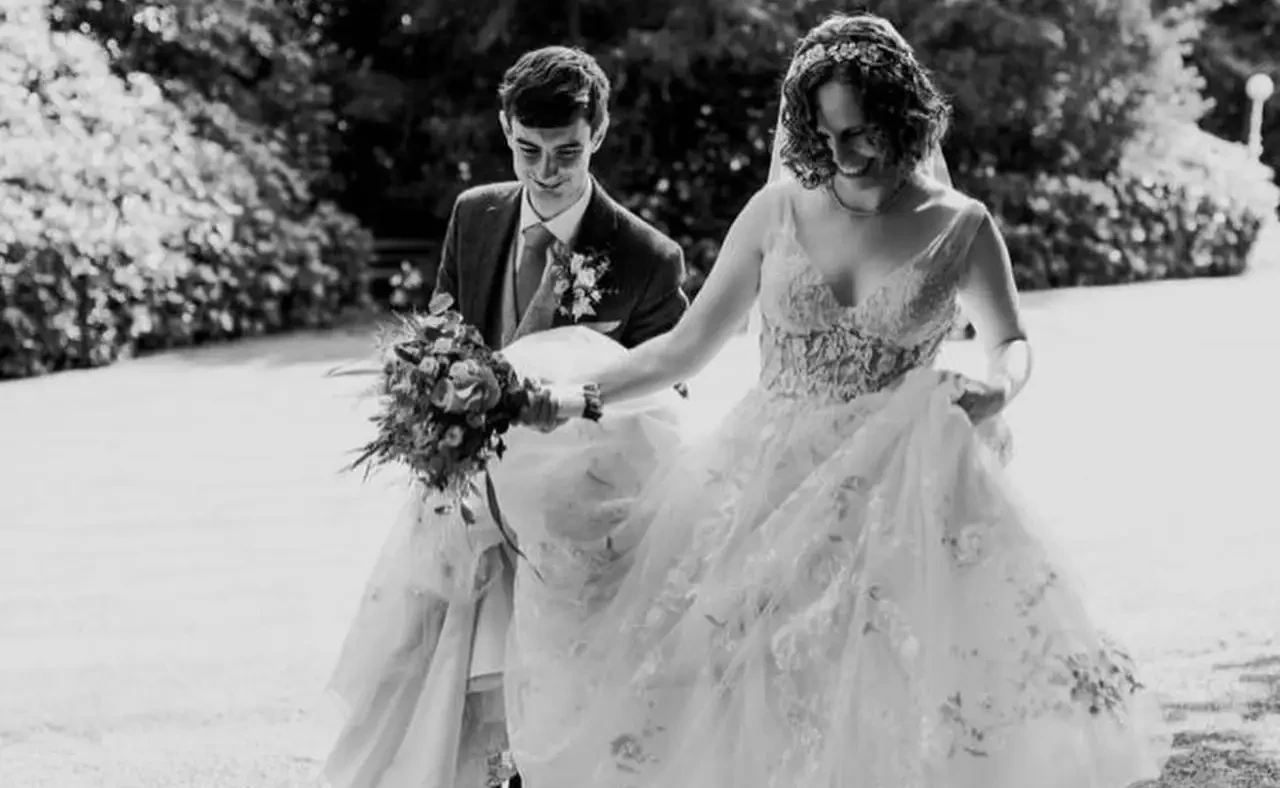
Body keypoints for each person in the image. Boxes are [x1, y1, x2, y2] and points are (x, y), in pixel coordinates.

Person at [514, 13, 1168, 788]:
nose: (841, 154)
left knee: (882, 700)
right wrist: (568, 394)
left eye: (859, 133)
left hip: (895, 490)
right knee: (723, 686)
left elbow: (1011, 342)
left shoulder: (961, 226)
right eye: (823, 136)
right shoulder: (777, 211)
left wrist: (999, 386)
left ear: (904, 118)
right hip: (763, 483)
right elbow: (681, 349)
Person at [322, 45, 688, 788]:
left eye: (566, 152)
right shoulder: (476, 214)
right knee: (446, 677)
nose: (546, 171)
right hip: (468, 496)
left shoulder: (649, 257)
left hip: (575, 514)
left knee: (555, 687)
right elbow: (442, 333)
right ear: (503, 127)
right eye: (527, 150)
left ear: (601, 130)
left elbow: (668, 400)